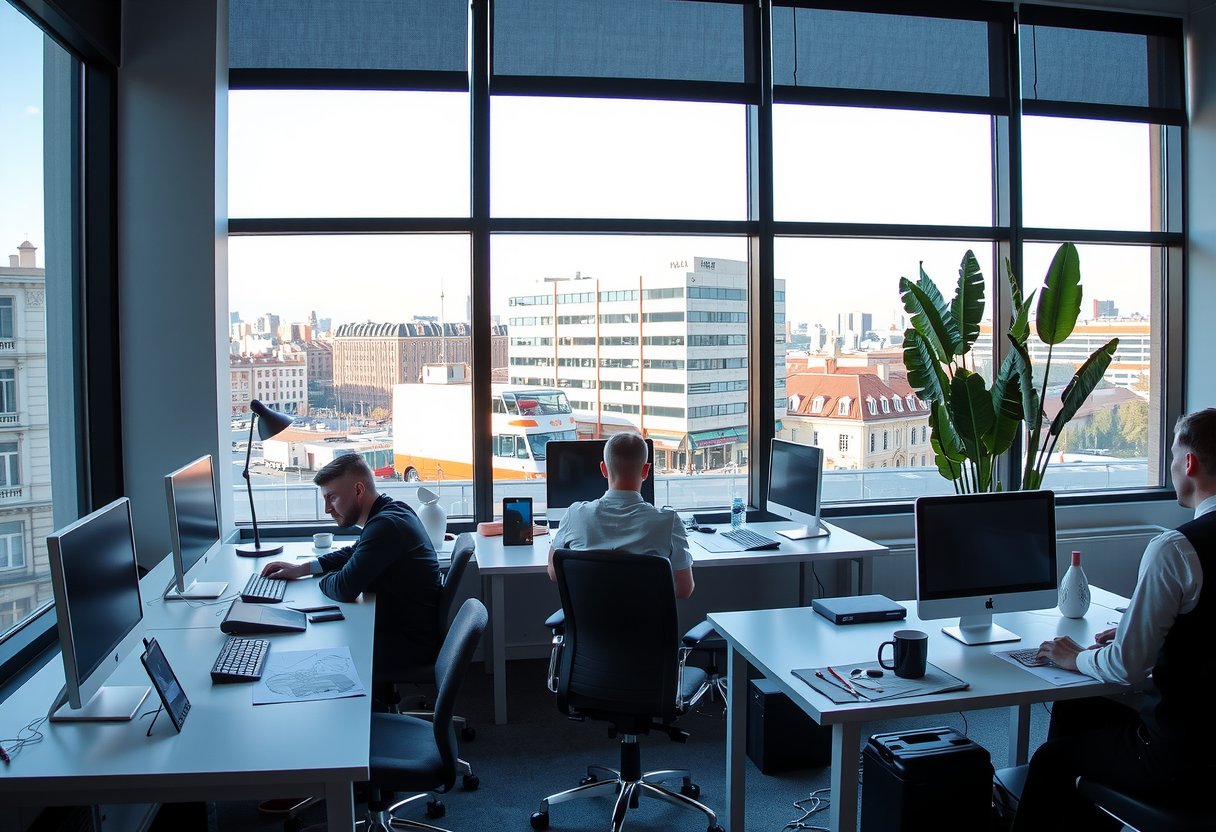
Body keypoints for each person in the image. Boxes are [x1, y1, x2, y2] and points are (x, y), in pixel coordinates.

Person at [1011, 408, 1216, 830]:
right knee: (1080, 712)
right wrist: (1141, 631)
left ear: (1190, 464)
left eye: (1174, 457)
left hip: (1185, 758)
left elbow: (1126, 667)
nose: (1173, 466)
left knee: (1052, 760)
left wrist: (1076, 658)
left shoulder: (1176, 550)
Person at [261, 453, 442, 679]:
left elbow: (345, 588)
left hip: (407, 643)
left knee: (314, 658)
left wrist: (321, 580)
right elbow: (355, 551)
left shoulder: (386, 526)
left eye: (332, 498)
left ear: (358, 490)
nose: (327, 509)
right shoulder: (392, 511)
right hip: (404, 627)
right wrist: (305, 568)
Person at [547, 432, 695, 598]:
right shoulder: (669, 522)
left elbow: (553, 572)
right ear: (646, 470)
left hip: (591, 623)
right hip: (645, 623)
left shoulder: (575, 515)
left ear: (603, 469)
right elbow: (684, 589)